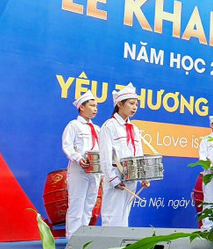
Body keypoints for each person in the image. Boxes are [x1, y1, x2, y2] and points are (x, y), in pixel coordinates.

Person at [99, 83, 148, 227]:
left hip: (131, 177)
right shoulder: (109, 126)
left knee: (124, 214)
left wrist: (143, 177)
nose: (134, 107)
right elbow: (105, 156)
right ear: (120, 104)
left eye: (136, 104)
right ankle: (110, 248)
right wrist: (113, 179)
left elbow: (139, 153)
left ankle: (120, 247)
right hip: (116, 176)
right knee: (112, 215)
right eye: (131, 103)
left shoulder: (134, 128)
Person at [61, 90, 102, 239]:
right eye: (91, 106)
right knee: (77, 203)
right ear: (82, 107)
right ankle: (72, 238)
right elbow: (67, 145)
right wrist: (78, 158)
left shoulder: (97, 129)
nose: (95, 109)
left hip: (95, 171)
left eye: (96, 106)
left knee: (89, 204)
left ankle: (83, 236)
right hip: (79, 169)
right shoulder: (74, 125)